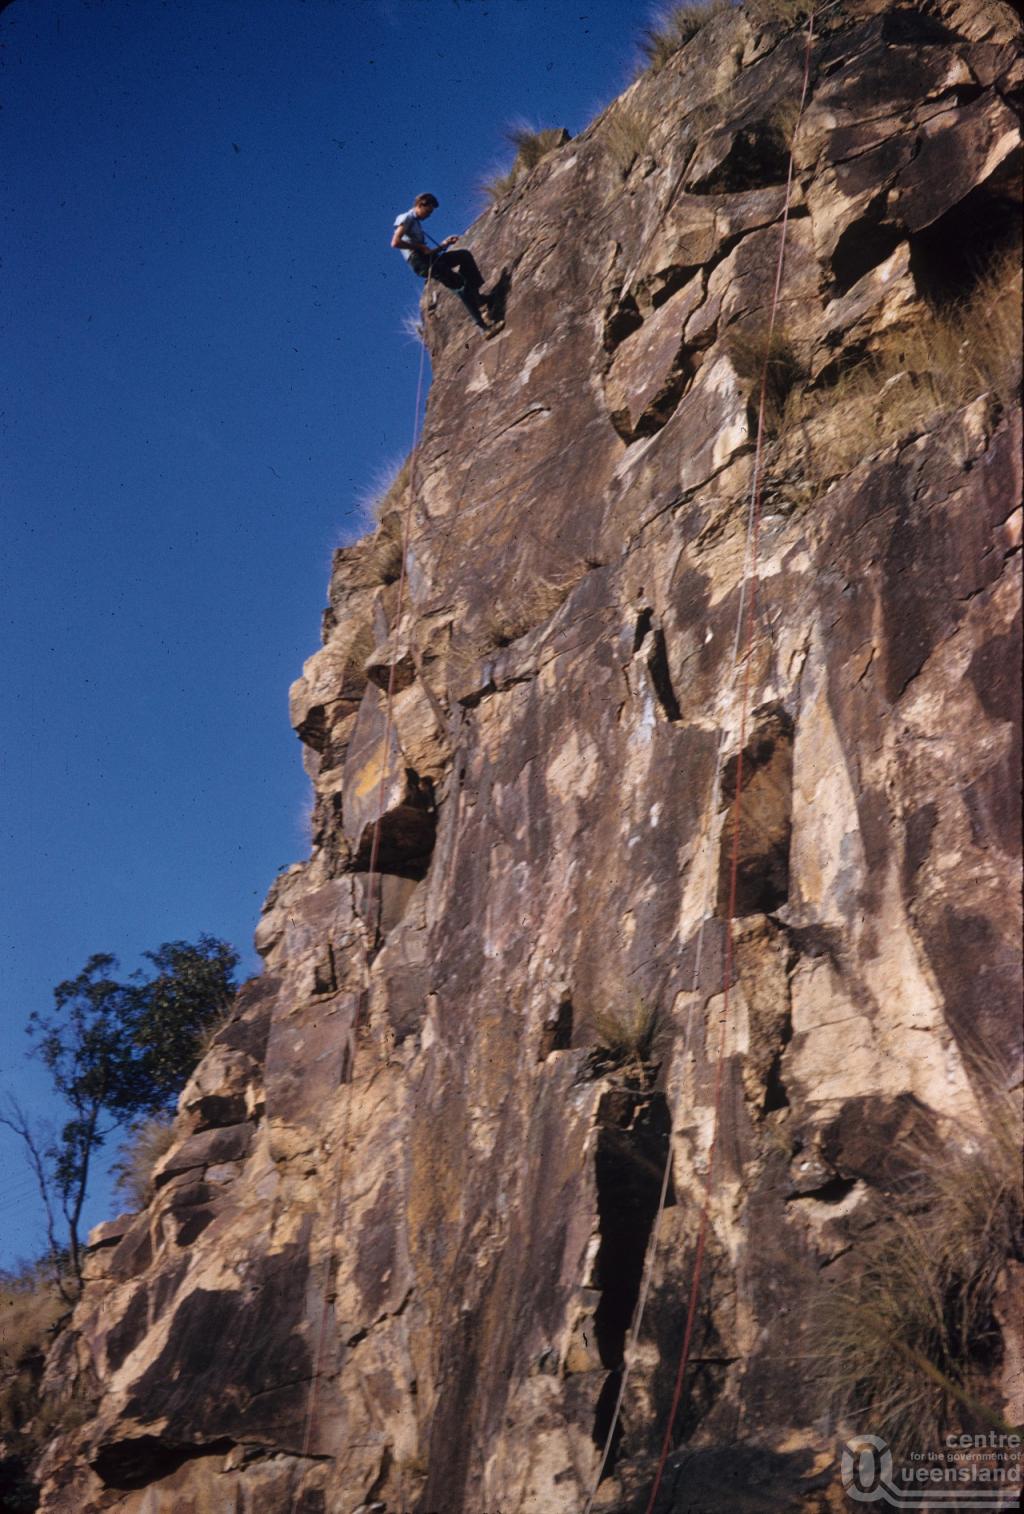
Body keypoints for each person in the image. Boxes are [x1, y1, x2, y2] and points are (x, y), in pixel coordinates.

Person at [391, 193, 500, 334]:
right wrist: (419, 247)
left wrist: (444, 244)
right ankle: (483, 327)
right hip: (420, 262)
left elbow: (428, 252)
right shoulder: (406, 218)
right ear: (421, 204)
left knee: (463, 256)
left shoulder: (416, 223)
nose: (429, 215)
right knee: (460, 284)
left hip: (427, 259)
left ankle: (478, 298)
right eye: (428, 211)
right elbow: (395, 242)